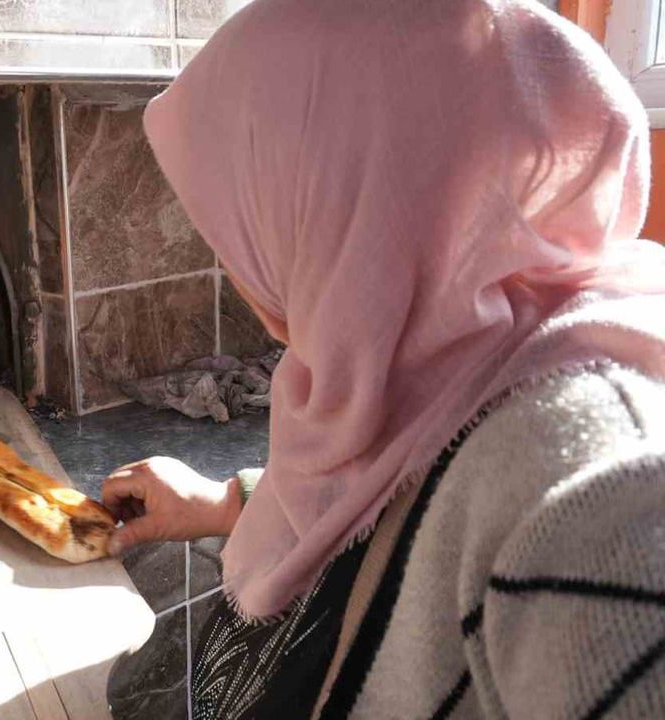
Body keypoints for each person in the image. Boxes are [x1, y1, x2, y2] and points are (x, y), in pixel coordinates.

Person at [100, 0, 665, 717]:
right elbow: (404, 484)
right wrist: (227, 501)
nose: (231, 253)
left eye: (242, 213)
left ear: (338, 202)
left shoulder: (600, 488)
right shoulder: (454, 345)